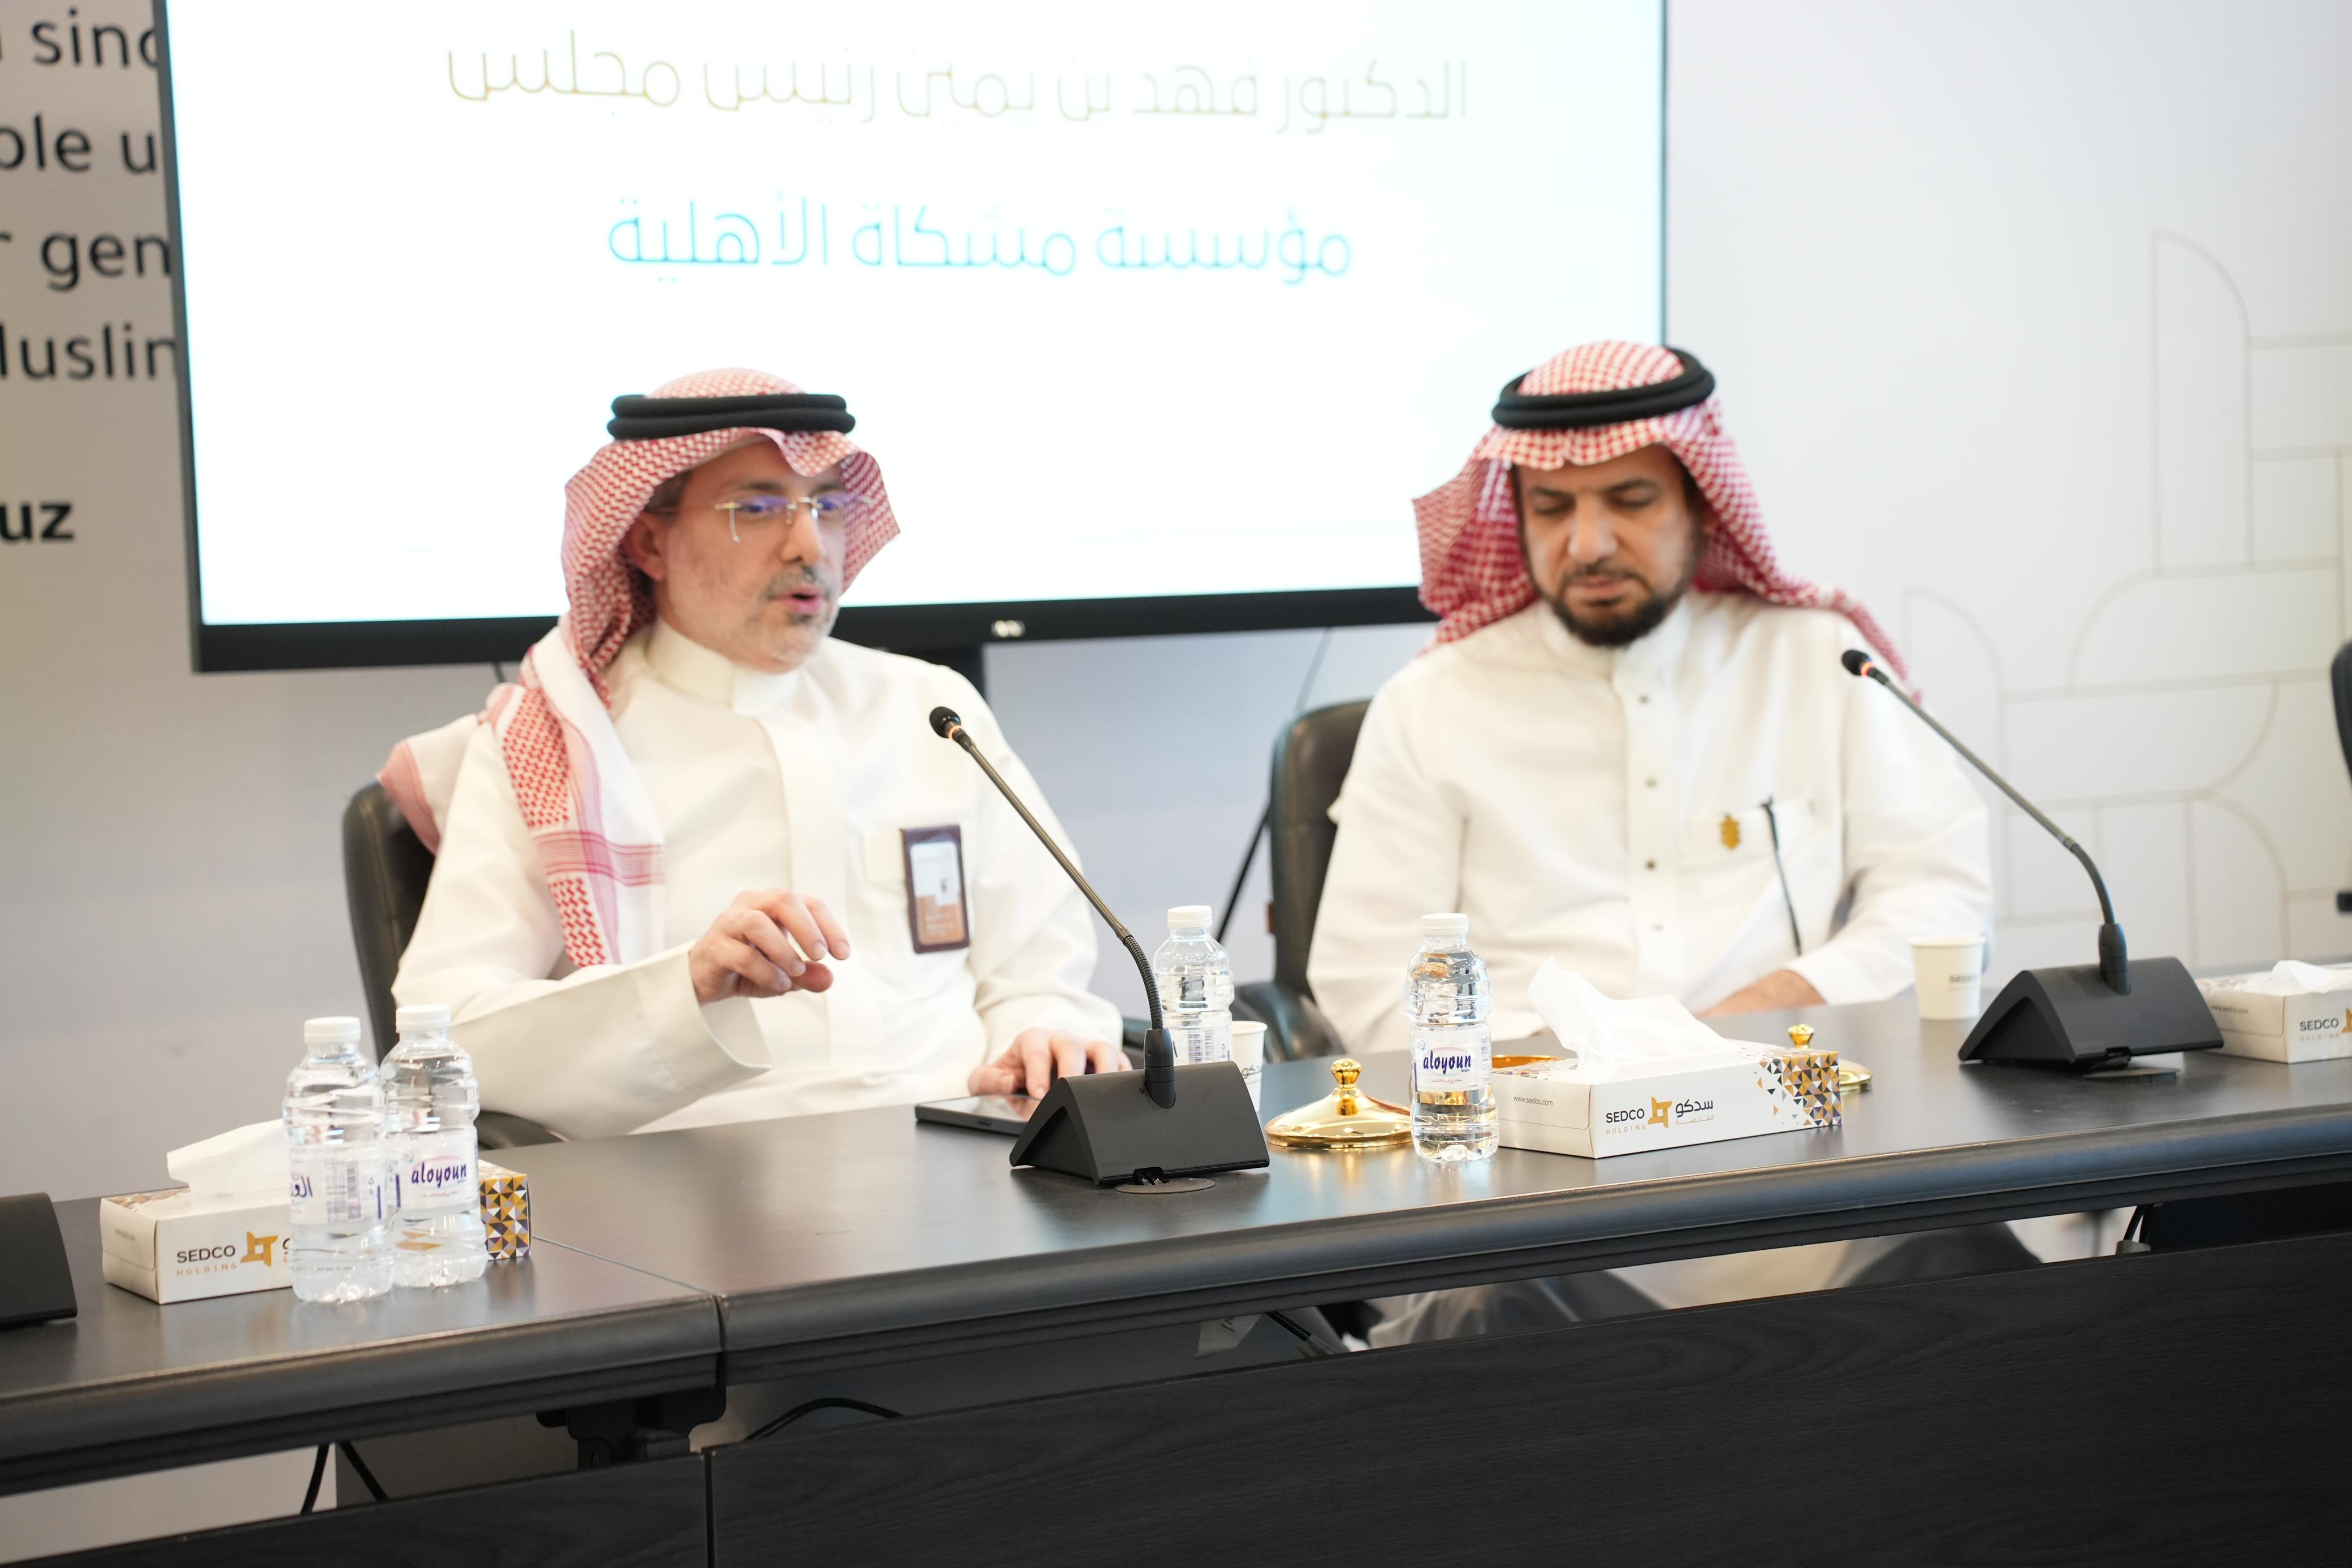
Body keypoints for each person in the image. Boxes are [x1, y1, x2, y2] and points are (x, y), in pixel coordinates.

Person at [1308, 341, 2018, 1337]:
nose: (1588, 541)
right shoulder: (1432, 704)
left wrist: (1770, 1009)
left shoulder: (1819, 661)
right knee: (1486, 1318)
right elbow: (1369, 977)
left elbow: (1937, 895)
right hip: (1535, 1198)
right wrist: (1577, 1081)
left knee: (1976, 1271)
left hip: (1798, 1167)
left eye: (1630, 500)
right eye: (1552, 508)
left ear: (1701, 504)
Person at [383, 369, 1123, 1140]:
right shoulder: (554, 743)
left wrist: (1046, 1033)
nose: (808, 544)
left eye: (827, 506)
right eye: (758, 509)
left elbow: (1041, 964)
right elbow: (445, 1034)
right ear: (649, 541)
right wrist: (685, 985)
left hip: (964, 1144)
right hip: (697, 1173)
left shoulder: (930, 708)